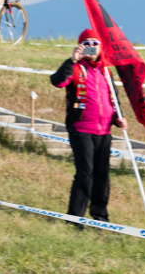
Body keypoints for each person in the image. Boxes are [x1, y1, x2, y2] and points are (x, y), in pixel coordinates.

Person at [50, 29, 128, 229]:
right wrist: (72, 60)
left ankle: (100, 217)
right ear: (80, 46)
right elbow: (57, 81)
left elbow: (113, 99)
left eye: (95, 43)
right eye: (87, 43)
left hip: (104, 131)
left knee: (102, 175)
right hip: (81, 128)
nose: (92, 46)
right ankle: (75, 219)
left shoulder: (106, 71)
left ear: (101, 47)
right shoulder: (76, 68)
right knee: (85, 173)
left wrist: (118, 118)